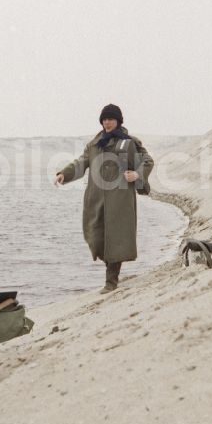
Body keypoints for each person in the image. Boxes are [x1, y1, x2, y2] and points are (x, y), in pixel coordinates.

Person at [54, 104, 154, 294]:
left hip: (119, 199)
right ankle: (110, 270)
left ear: (118, 121)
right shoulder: (94, 144)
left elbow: (147, 161)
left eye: (110, 119)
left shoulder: (128, 142)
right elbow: (81, 162)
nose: (107, 122)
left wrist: (137, 175)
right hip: (96, 197)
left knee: (115, 239)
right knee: (96, 236)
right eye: (104, 119)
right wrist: (64, 174)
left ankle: (111, 281)